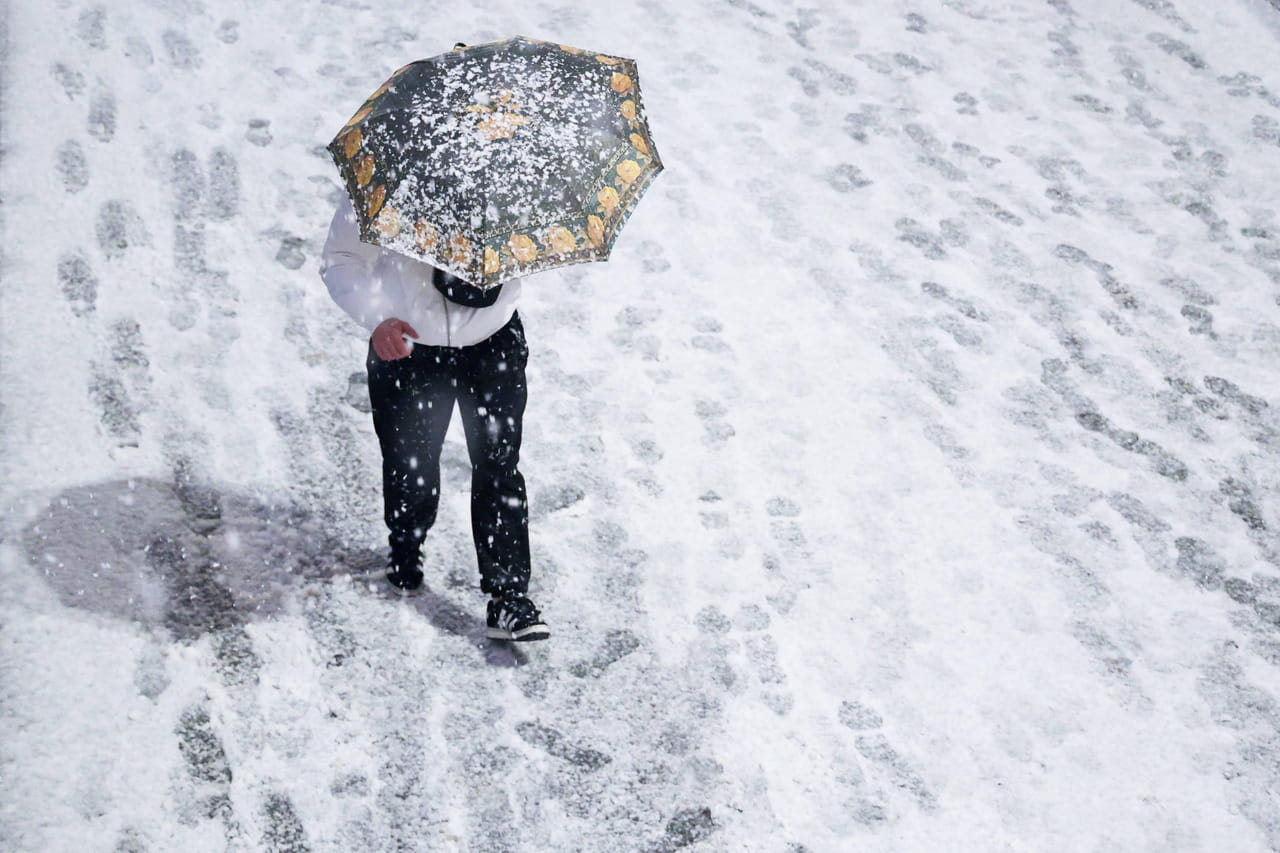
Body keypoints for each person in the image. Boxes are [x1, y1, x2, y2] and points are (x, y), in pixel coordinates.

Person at [319, 194, 549, 642]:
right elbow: (341, 257)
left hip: (492, 341)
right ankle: (406, 541)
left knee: (499, 465)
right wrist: (377, 318)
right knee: (410, 462)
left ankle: (508, 596)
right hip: (407, 344)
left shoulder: (511, 181)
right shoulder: (388, 182)